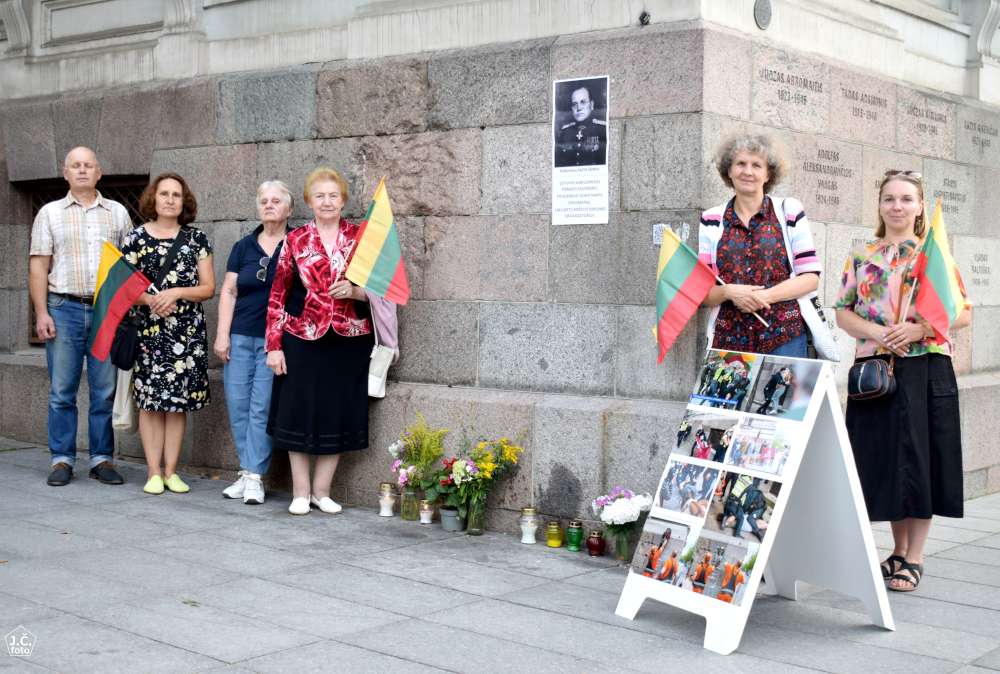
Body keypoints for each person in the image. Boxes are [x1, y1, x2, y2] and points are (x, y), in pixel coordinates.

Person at [835, 170, 971, 593]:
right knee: (890, 460)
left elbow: (962, 312)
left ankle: (916, 556)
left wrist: (917, 331)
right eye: (889, 198)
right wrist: (878, 333)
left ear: (918, 206)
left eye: (907, 199)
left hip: (925, 368)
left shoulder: (934, 255)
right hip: (876, 372)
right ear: (879, 205)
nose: (897, 206)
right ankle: (896, 550)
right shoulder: (862, 255)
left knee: (922, 458)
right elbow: (843, 311)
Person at [266, 167, 398, 516]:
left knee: (337, 413)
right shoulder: (294, 241)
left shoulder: (360, 239)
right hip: (302, 337)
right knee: (297, 413)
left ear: (343, 201)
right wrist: (274, 346)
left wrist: (356, 291)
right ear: (309, 201)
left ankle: (322, 492)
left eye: (333, 196)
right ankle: (300, 491)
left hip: (349, 338)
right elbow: (278, 296)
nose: (327, 202)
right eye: (320, 196)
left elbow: (385, 289)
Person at [29, 146, 132, 487]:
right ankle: (62, 459)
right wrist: (41, 311)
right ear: (66, 172)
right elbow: (39, 265)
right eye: (76, 165)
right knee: (62, 390)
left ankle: (102, 459)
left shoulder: (117, 213)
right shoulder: (49, 213)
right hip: (63, 308)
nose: (83, 170)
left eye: (89, 165)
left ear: (99, 172)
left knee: (104, 389)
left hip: (105, 310)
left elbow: (128, 265)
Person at [121, 173, 214, 495]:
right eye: (164, 194)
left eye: (177, 194)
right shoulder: (135, 239)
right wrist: (151, 300)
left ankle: (172, 472)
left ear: (183, 201)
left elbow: (208, 288)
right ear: (153, 199)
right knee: (150, 404)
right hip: (149, 331)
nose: (171, 199)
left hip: (185, 333)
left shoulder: (197, 239)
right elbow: (123, 285)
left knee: (176, 406)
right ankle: (152, 472)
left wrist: (175, 293)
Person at [699, 134, 822, 356]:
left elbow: (810, 278)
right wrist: (729, 292)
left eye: (757, 165)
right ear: (729, 170)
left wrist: (763, 297)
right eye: (740, 164)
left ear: (768, 174)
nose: (748, 171)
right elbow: (702, 292)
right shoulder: (711, 219)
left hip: (784, 337)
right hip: (728, 341)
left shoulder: (789, 210)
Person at [213, 181, 292, 505]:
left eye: (276, 201)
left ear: (288, 209)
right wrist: (222, 334)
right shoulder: (243, 246)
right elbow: (229, 291)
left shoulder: (298, 243)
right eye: (264, 201)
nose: (269, 205)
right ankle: (247, 473)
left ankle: (255, 477)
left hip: (276, 340)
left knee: (262, 407)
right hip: (240, 336)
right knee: (238, 405)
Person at [554, 85, 607, 167]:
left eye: (583, 102)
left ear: (592, 105)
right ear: (572, 108)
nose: (578, 108)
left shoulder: (602, 129)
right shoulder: (565, 132)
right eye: (575, 104)